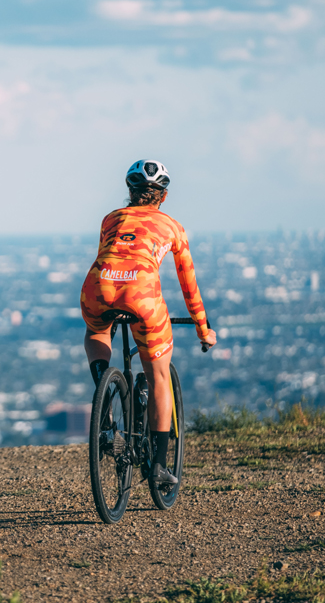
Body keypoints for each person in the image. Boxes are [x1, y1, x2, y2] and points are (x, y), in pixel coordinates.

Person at [80, 159, 216, 485]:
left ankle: (104, 397)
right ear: (163, 197)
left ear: (130, 191)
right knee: (158, 376)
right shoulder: (173, 227)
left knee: (96, 330)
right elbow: (189, 285)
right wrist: (203, 328)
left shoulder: (110, 218)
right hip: (142, 296)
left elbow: (110, 255)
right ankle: (157, 466)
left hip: (98, 287)